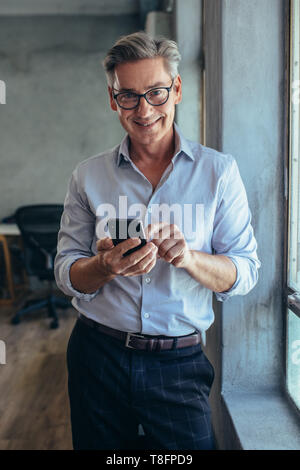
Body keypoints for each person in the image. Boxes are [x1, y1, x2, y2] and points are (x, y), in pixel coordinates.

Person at [54, 31, 260, 451]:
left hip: (178, 364)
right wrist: (103, 267)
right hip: (98, 354)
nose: (144, 109)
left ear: (177, 89)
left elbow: (245, 271)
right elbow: (65, 272)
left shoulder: (218, 173)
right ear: (113, 100)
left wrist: (189, 258)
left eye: (156, 92)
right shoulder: (88, 176)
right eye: (128, 95)